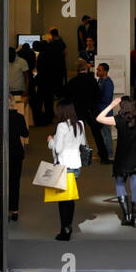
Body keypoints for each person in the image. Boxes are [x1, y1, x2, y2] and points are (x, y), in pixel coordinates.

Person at [98, 94, 136, 227]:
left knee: (120, 185)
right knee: (135, 188)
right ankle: (135, 219)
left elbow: (99, 118)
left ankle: (126, 215)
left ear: (121, 107)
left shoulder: (118, 119)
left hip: (122, 159)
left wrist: (112, 105)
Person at [47, 100, 84, 242]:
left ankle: (65, 229)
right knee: (70, 198)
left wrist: (51, 140)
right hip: (75, 165)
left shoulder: (61, 126)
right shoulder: (80, 124)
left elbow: (57, 149)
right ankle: (68, 226)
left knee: (63, 200)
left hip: (63, 166)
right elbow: (83, 144)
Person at [7, 94, 29, 221]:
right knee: (15, 182)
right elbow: (25, 133)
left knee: (4, 181)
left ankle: (3, 208)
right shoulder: (19, 117)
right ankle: (14, 210)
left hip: (4, 152)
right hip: (16, 152)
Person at [95, 63, 114, 164]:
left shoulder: (108, 83)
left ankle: (110, 155)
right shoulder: (100, 80)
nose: (97, 71)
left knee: (107, 134)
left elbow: (106, 99)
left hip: (105, 113)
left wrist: (96, 99)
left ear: (105, 72)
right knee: (102, 134)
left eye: (99, 70)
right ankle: (103, 153)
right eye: (97, 69)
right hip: (100, 112)